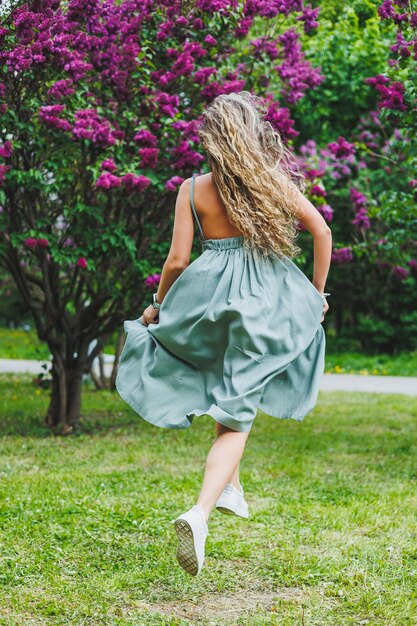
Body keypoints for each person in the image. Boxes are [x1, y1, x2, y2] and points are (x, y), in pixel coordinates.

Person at [115, 91, 332, 577]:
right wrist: (317, 295)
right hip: (265, 304)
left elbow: (176, 261)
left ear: (212, 139)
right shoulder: (270, 182)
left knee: (225, 385)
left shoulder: (192, 189)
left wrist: (158, 307)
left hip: (208, 300)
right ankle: (201, 513)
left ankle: (232, 488)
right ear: (254, 134)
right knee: (238, 415)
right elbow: (321, 231)